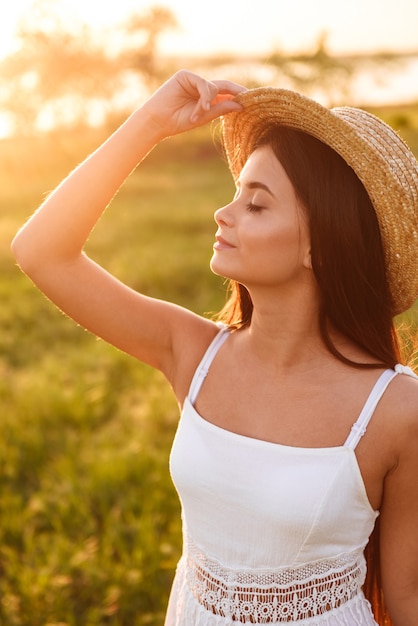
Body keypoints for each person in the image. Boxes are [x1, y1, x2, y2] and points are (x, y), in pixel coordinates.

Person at [11, 69, 418, 625]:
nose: (223, 214)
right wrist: (151, 121)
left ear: (320, 246)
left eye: (256, 204)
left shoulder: (396, 409)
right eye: (235, 196)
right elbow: (41, 252)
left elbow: (407, 599)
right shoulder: (194, 353)